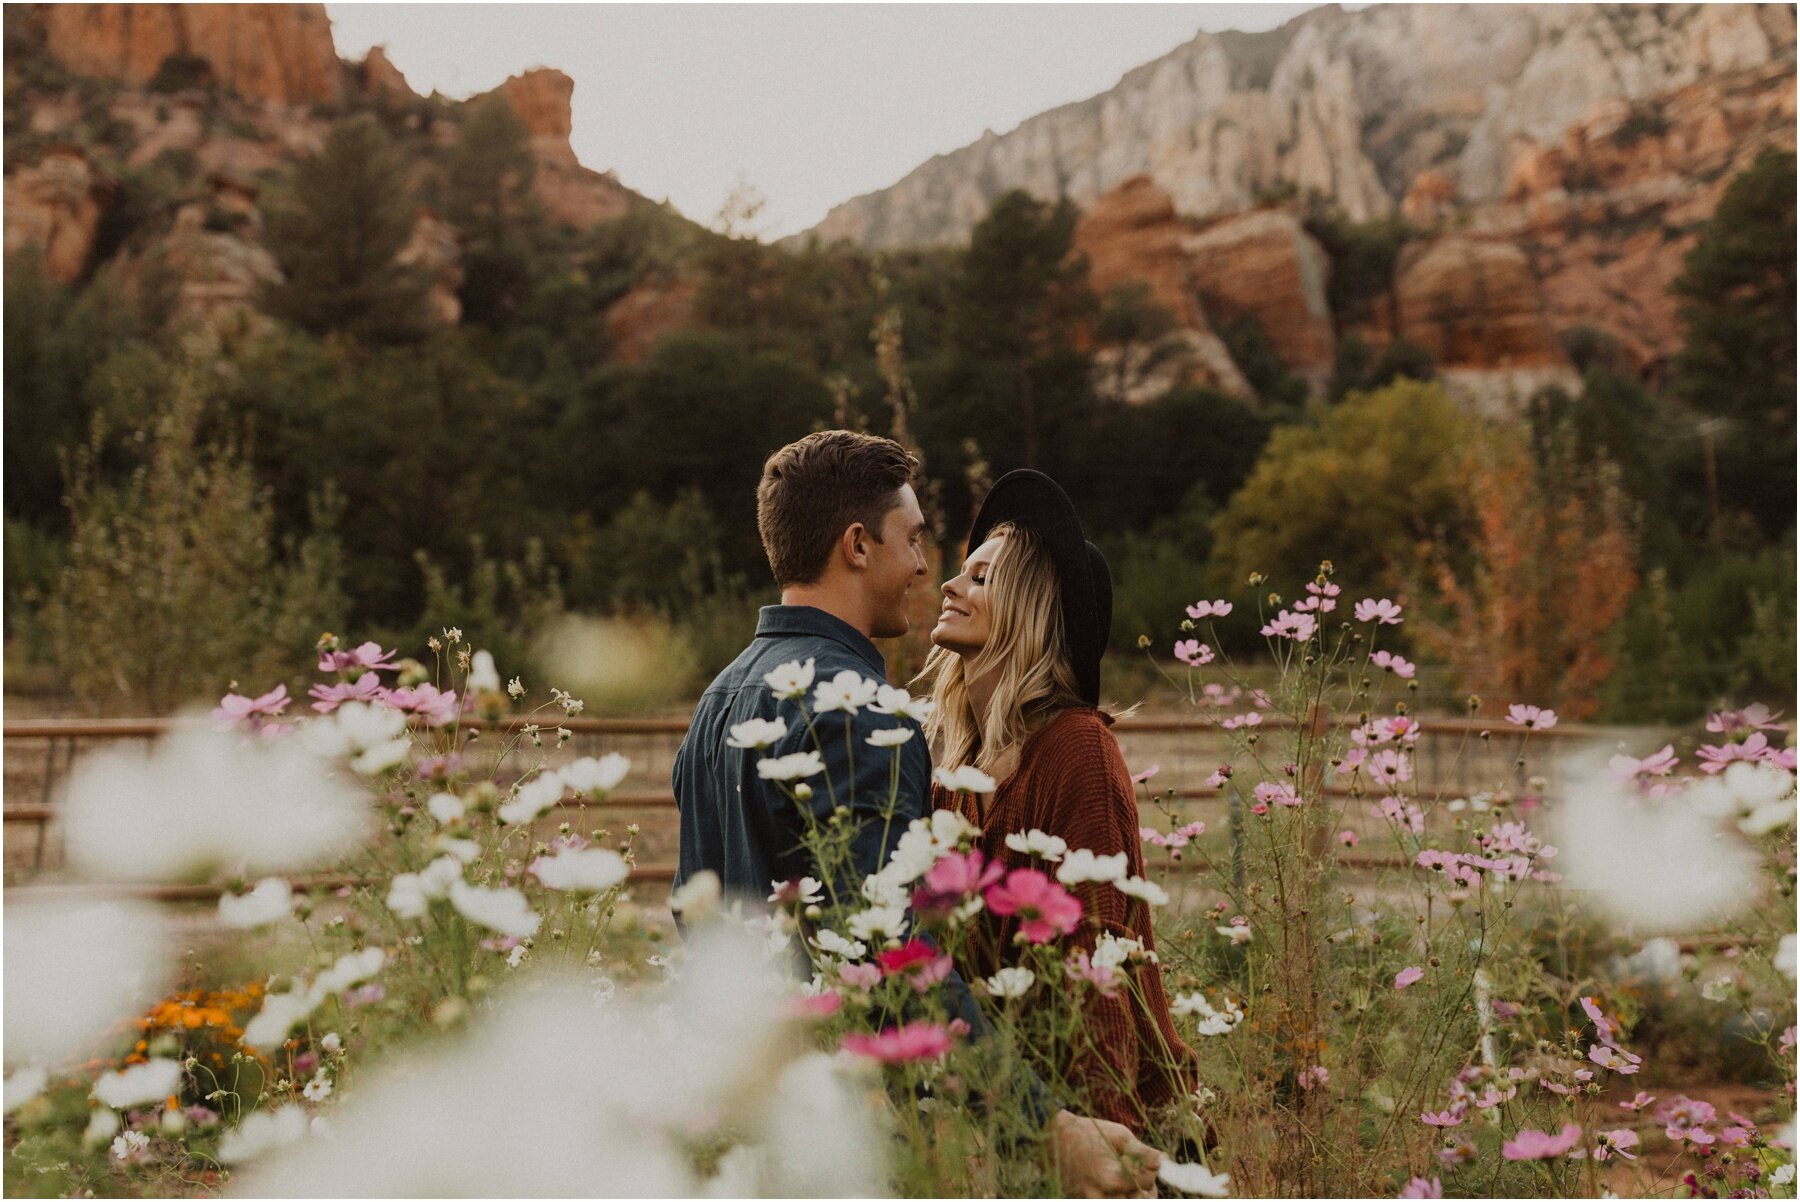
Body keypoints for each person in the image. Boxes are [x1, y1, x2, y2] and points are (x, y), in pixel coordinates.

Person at [672, 430, 1162, 1197]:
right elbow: (890, 949)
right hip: (846, 1126)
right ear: (857, 546)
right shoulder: (865, 715)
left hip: (760, 1117)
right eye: (912, 541)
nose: (925, 570)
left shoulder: (718, 700)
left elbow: (700, 922)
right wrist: (1045, 1127)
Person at [916, 468, 1201, 1136]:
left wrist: (1101, 1140)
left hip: (1104, 1125)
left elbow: (1096, 964)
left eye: (981, 577)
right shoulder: (958, 772)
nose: (952, 586)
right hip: (1021, 1115)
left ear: (1028, 609)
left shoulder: (1076, 751)